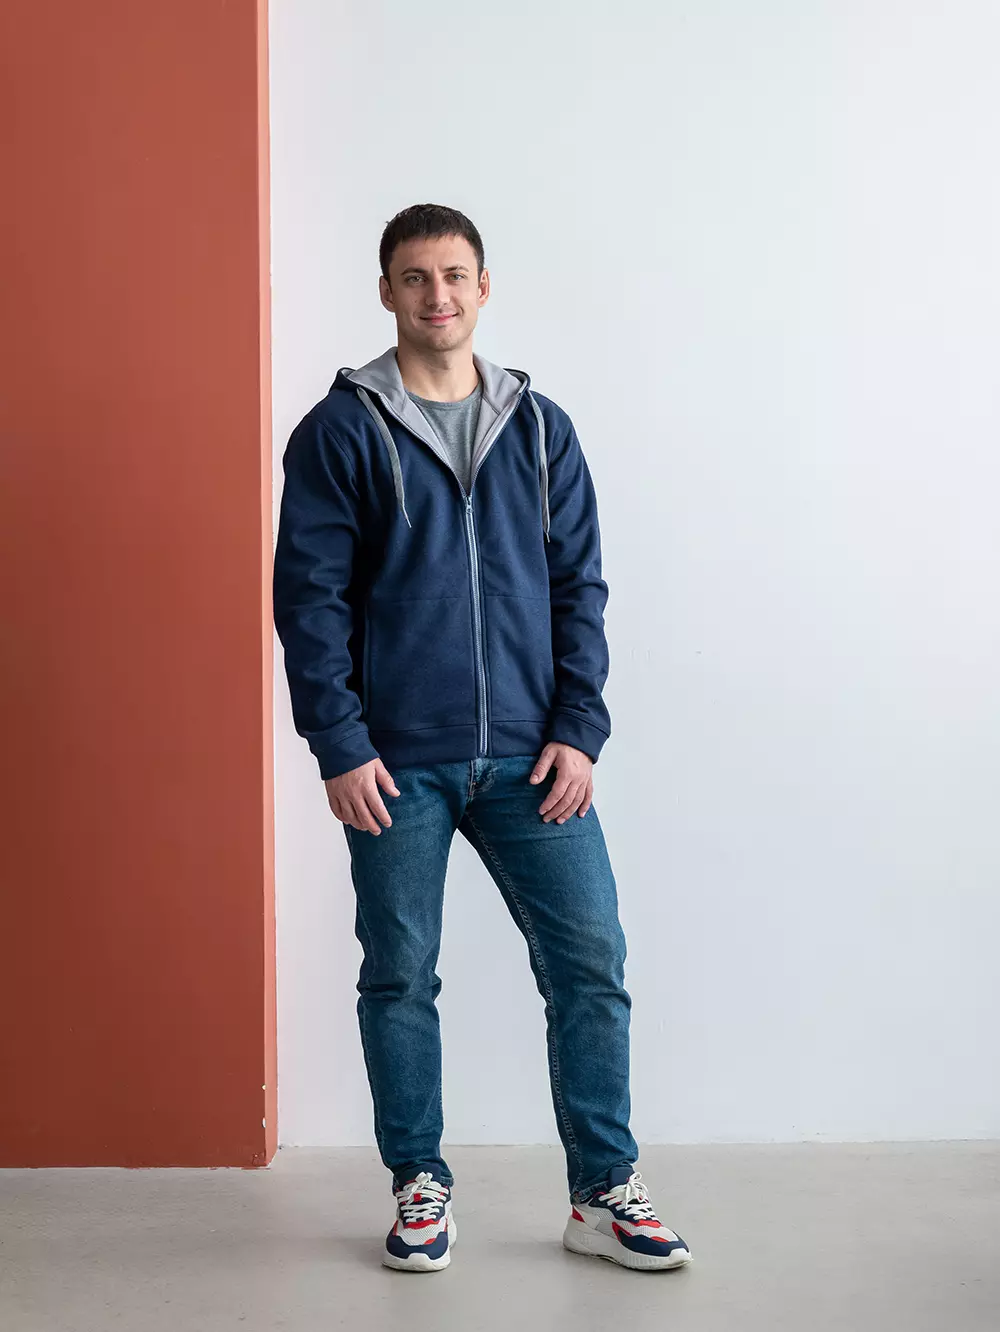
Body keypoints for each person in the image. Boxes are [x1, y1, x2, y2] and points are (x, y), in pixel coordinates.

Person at [272, 203, 692, 1274]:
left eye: (454, 274)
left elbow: (578, 588)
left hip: (531, 757)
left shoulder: (540, 429)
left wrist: (579, 731)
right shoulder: (341, 431)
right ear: (386, 293)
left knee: (591, 961)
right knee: (399, 974)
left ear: (484, 287)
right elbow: (309, 600)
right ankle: (419, 1185)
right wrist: (339, 742)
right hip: (394, 762)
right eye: (415, 277)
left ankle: (602, 1194)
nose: (437, 295)